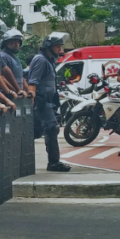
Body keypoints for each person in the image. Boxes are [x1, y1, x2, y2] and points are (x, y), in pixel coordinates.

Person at [26, 32, 72, 172]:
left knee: (35, 132)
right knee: (52, 129)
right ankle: (53, 162)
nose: (60, 50)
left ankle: (18, 156)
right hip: (41, 102)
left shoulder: (49, 60)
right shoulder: (40, 60)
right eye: (57, 47)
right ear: (48, 46)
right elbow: (33, 81)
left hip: (47, 102)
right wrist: (32, 101)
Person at [0, 29, 29, 97]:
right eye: (13, 41)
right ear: (6, 43)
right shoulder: (3, 56)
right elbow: (2, 77)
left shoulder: (15, 58)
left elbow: (21, 77)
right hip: (9, 94)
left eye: (18, 42)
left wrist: (27, 90)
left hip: (18, 94)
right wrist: (16, 90)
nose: (16, 44)